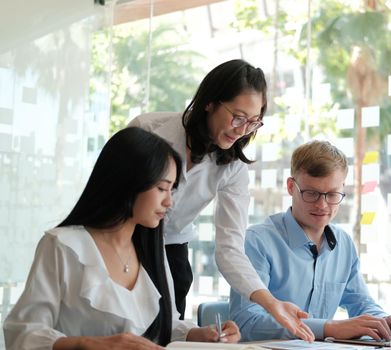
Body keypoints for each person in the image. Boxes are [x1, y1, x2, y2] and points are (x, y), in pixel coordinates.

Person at [3, 127, 240, 350]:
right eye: (161, 188)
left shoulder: (152, 251)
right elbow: (23, 333)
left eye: (172, 189)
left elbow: (164, 326)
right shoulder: (63, 246)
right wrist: (90, 345)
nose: (169, 202)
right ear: (128, 182)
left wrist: (200, 334)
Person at [128, 59, 314, 341]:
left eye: (253, 122)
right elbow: (109, 194)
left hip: (171, 251)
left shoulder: (233, 168)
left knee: (166, 334)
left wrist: (271, 303)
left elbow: (230, 248)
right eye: (238, 117)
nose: (242, 130)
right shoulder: (148, 130)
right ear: (210, 103)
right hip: (125, 242)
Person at [229, 140, 391, 341]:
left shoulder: (343, 244)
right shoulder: (257, 242)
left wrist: (383, 321)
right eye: (312, 193)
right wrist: (329, 328)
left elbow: (361, 303)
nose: (322, 205)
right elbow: (246, 323)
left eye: (332, 194)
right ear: (291, 187)